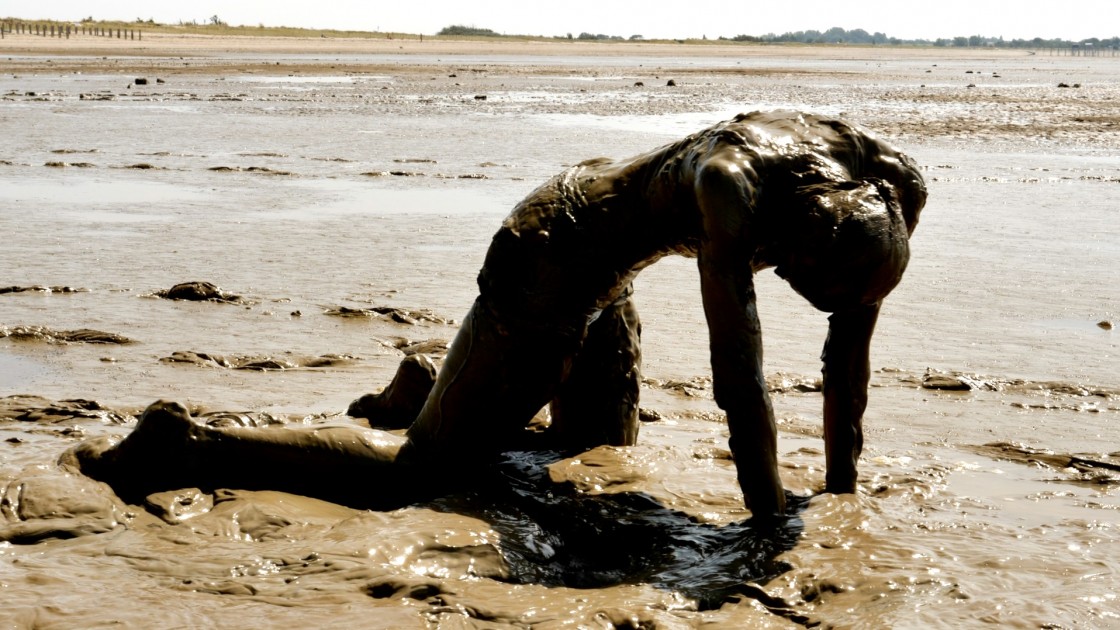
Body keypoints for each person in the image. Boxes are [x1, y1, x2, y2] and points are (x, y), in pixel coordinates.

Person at [65, 111, 926, 518]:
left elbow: (847, 347)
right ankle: (182, 445)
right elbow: (738, 377)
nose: (823, 308)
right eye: (809, 288)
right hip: (552, 251)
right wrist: (772, 516)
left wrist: (840, 489)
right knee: (418, 473)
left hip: (611, 270)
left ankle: (427, 390)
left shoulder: (889, 181)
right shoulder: (729, 188)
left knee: (592, 453)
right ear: (802, 240)